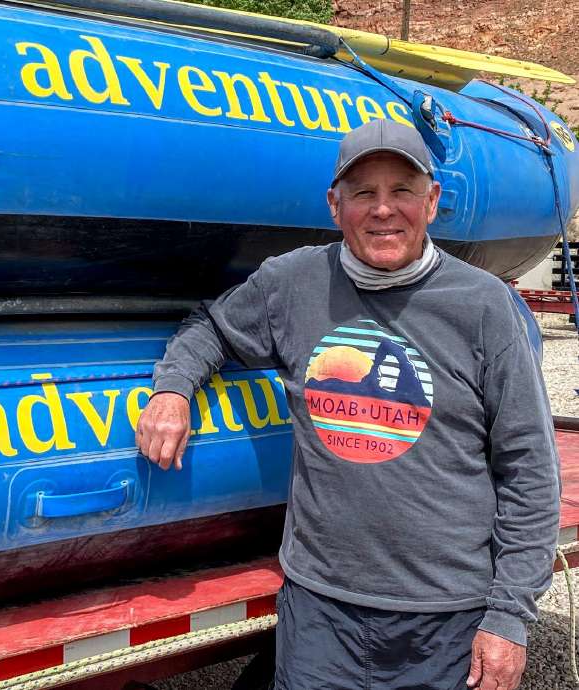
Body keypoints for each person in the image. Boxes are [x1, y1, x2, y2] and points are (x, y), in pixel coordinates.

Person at [137, 119, 560, 690]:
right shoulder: (293, 283)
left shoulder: (485, 306)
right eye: (363, 193)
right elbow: (209, 327)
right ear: (335, 206)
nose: (383, 210)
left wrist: (508, 616)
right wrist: (172, 389)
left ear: (432, 201)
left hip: (446, 618)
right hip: (321, 614)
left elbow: (530, 472)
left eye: (402, 190)